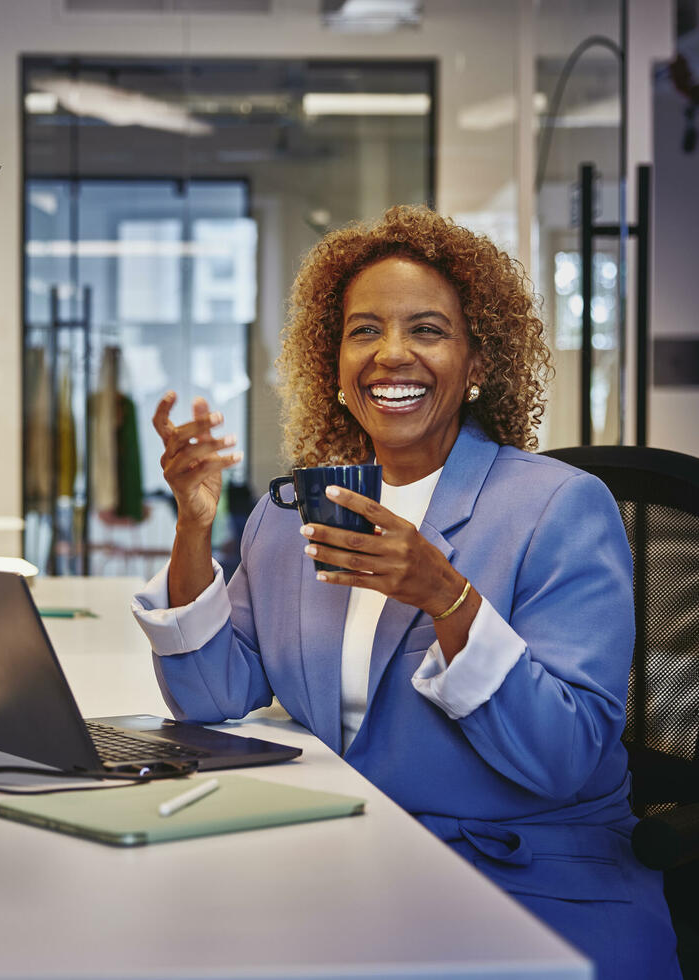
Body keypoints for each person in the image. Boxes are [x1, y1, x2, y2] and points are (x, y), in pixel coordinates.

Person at [131, 205, 680, 979]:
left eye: (426, 329)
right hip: (350, 860)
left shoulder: (560, 507)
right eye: (363, 331)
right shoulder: (295, 512)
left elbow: (561, 756)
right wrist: (192, 529)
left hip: (528, 882)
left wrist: (446, 598)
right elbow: (211, 693)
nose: (391, 354)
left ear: (477, 362)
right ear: (334, 362)